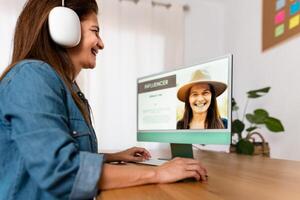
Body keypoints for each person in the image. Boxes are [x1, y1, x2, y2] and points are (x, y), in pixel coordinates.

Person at [0, 0, 208, 199]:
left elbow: (54, 152)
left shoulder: (65, 86)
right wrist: (158, 173)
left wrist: (113, 156)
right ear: (63, 27)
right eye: (95, 31)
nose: (101, 43)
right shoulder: (32, 77)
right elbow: (61, 170)